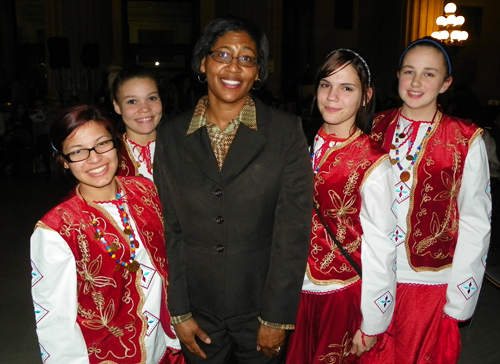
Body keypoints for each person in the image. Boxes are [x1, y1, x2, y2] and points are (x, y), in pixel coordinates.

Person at [153, 15, 313, 364]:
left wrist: (276, 316)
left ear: (258, 72)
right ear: (202, 62)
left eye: (246, 58)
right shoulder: (170, 136)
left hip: (259, 306)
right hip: (197, 308)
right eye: (222, 54)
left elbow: (293, 230)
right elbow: (169, 229)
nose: (233, 67)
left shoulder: (285, 132)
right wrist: (178, 310)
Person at [364, 38, 491, 364]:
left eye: (429, 74)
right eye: (409, 71)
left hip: (427, 281)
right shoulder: (374, 127)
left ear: (446, 83)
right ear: (398, 75)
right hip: (371, 273)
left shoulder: (464, 138)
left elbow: (476, 221)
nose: (417, 82)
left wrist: (459, 297)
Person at [30, 105, 183, 363]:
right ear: (63, 161)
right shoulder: (57, 229)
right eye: (78, 152)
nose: (95, 158)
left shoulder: (145, 191)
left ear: (117, 145)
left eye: (102, 144)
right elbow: (54, 320)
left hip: (164, 346)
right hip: (105, 354)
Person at [285, 49, 397, 364]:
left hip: (340, 294)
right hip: (293, 291)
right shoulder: (299, 144)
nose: (332, 96)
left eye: (347, 88)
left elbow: (382, 247)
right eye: (325, 85)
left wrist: (373, 321)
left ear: (366, 96)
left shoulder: (374, 162)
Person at [111, 66, 163, 181]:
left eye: (152, 98)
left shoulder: (180, 146)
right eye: (132, 101)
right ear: (117, 107)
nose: (144, 109)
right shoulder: (109, 155)